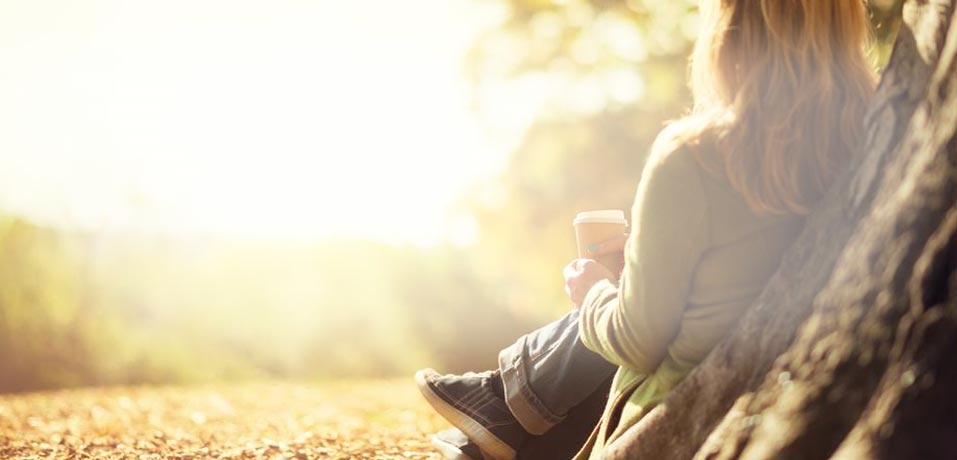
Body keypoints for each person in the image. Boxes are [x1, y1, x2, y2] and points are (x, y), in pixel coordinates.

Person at [416, 0, 877, 459]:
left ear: (728, 28)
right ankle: (504, 410)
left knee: (615, 313)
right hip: (807, 401)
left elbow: (638, 340)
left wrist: (594, 290)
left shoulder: (697, 155)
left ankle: (508, 404)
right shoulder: (880, 144)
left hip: (684, 417)